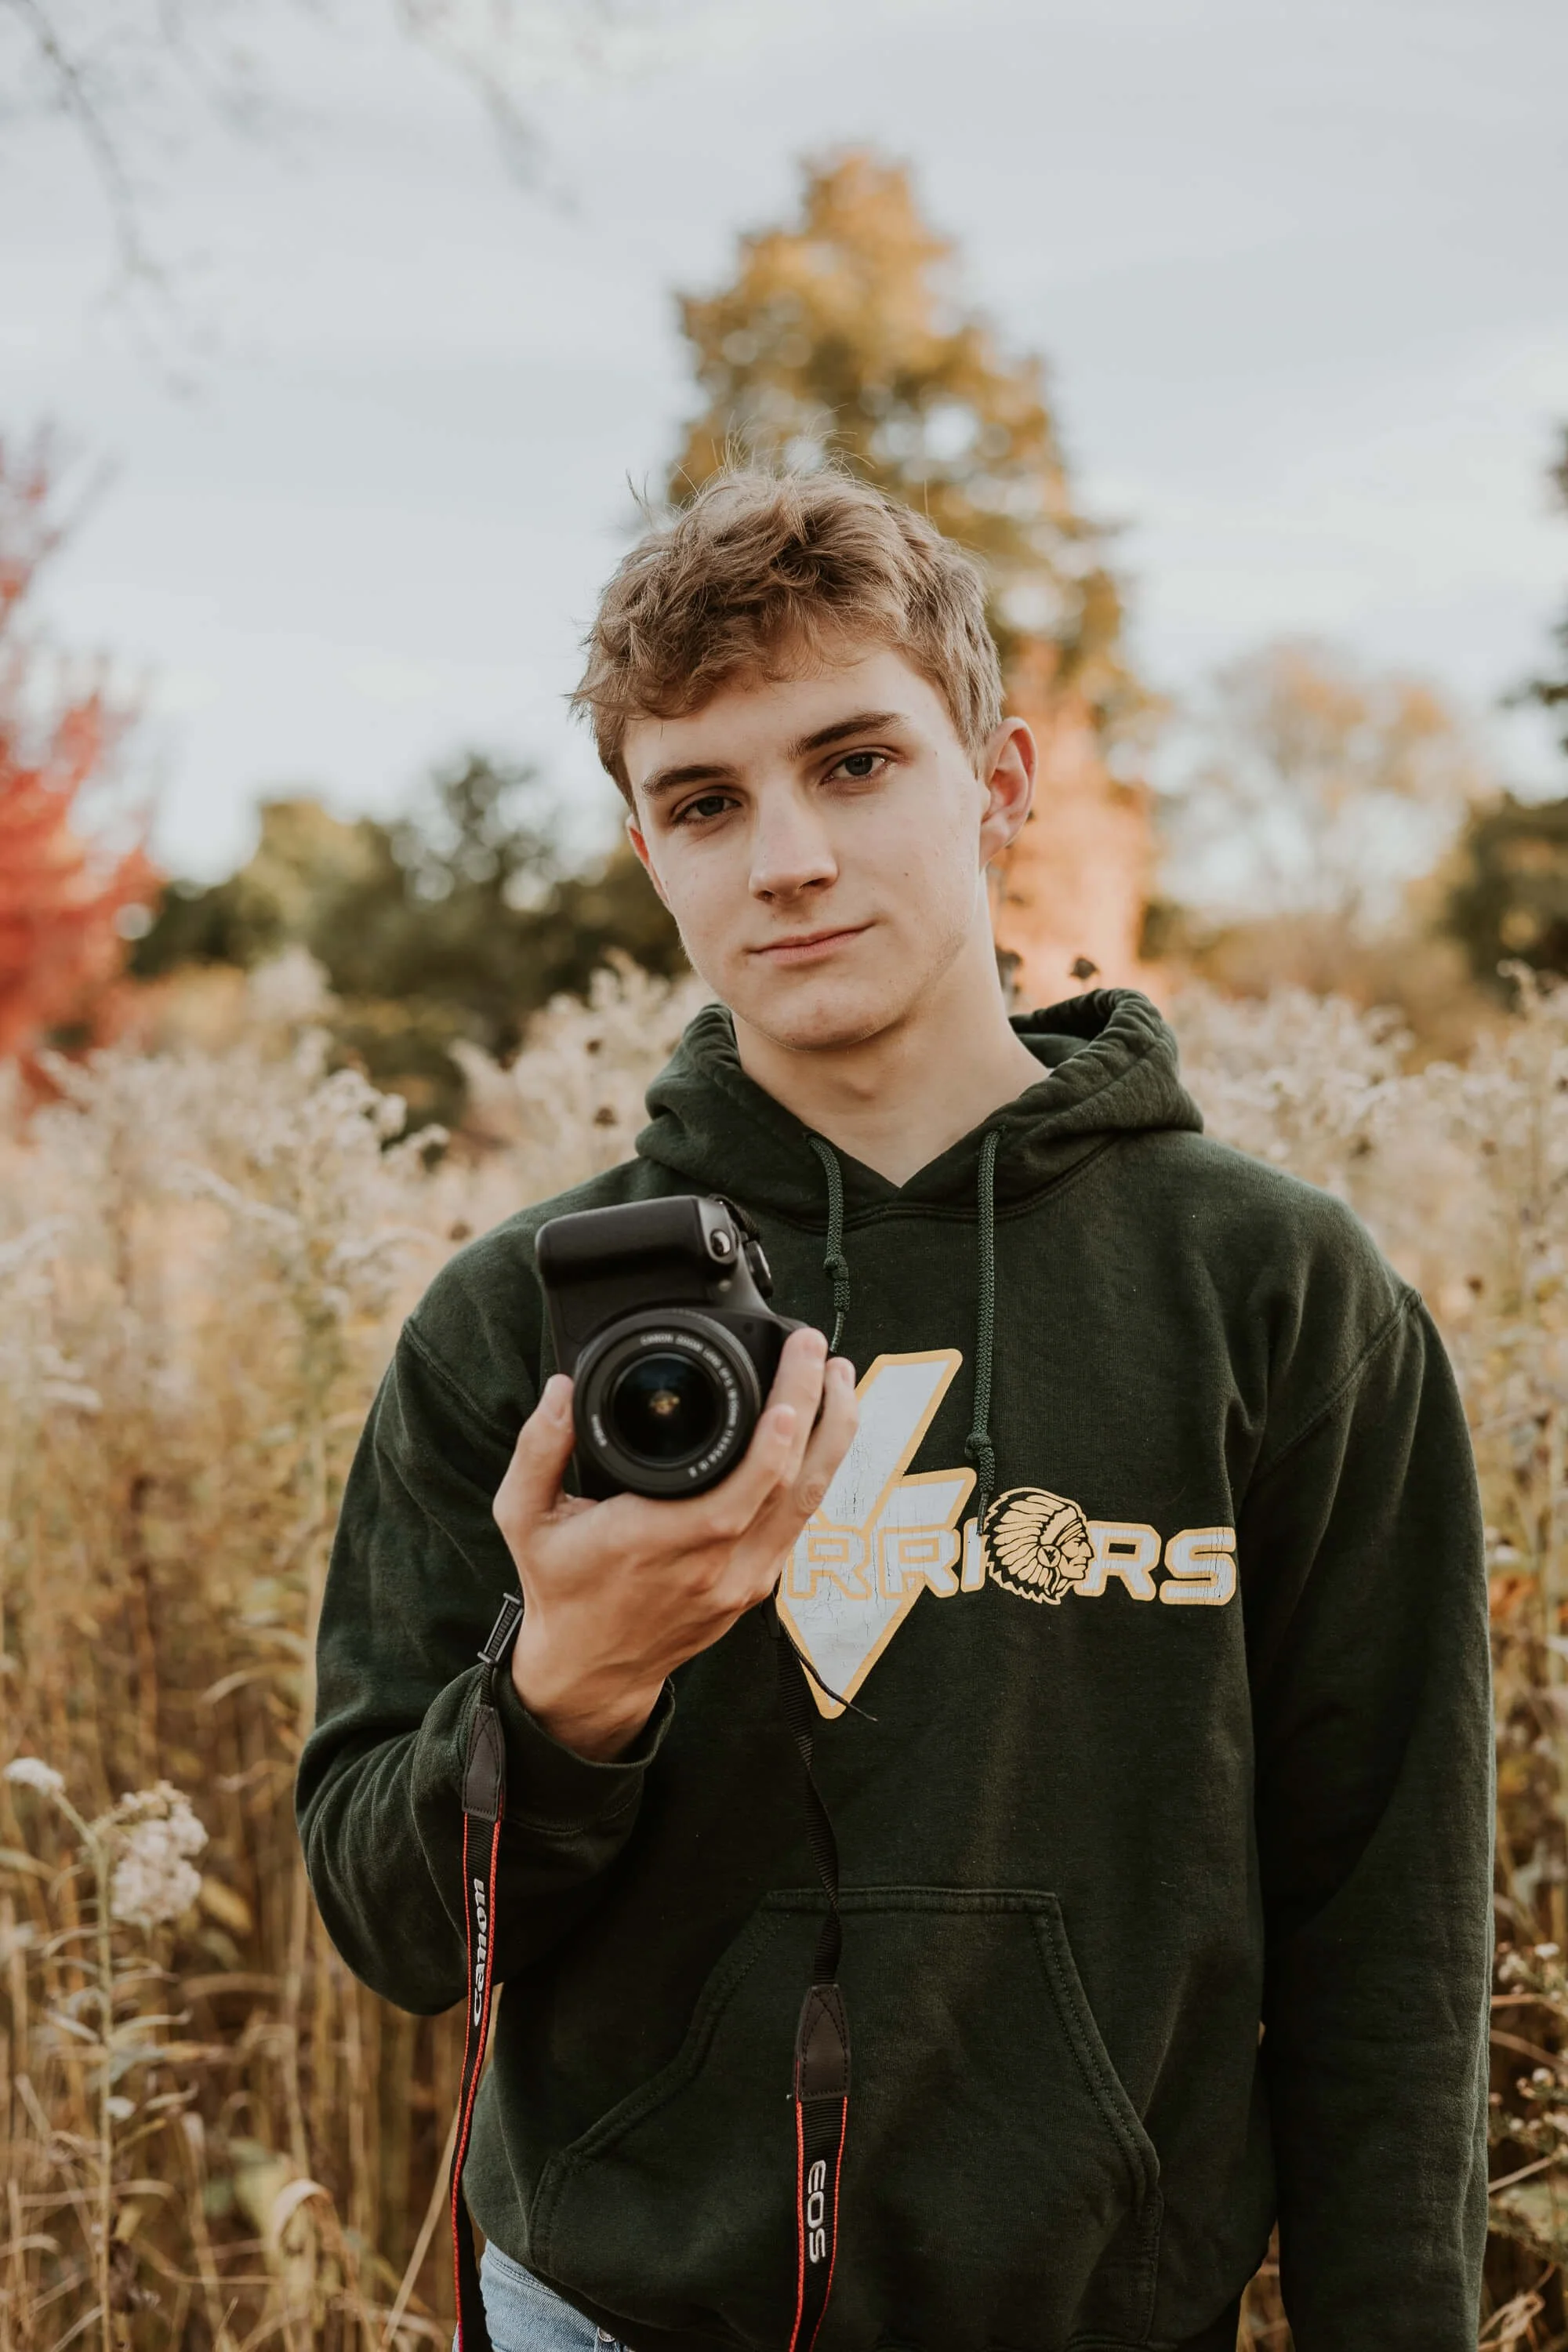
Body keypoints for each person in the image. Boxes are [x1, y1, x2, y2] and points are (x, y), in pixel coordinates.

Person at [296, 469, 1492, 2352]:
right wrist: (568, 1692)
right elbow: (381, 1918)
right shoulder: (516, 1322)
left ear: (1001, 783)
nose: (784, 857)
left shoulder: (1280, 1297)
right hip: (606, 2309)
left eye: (852, 763)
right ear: (647, 855)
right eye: (705, 800)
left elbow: (1389, 1940)